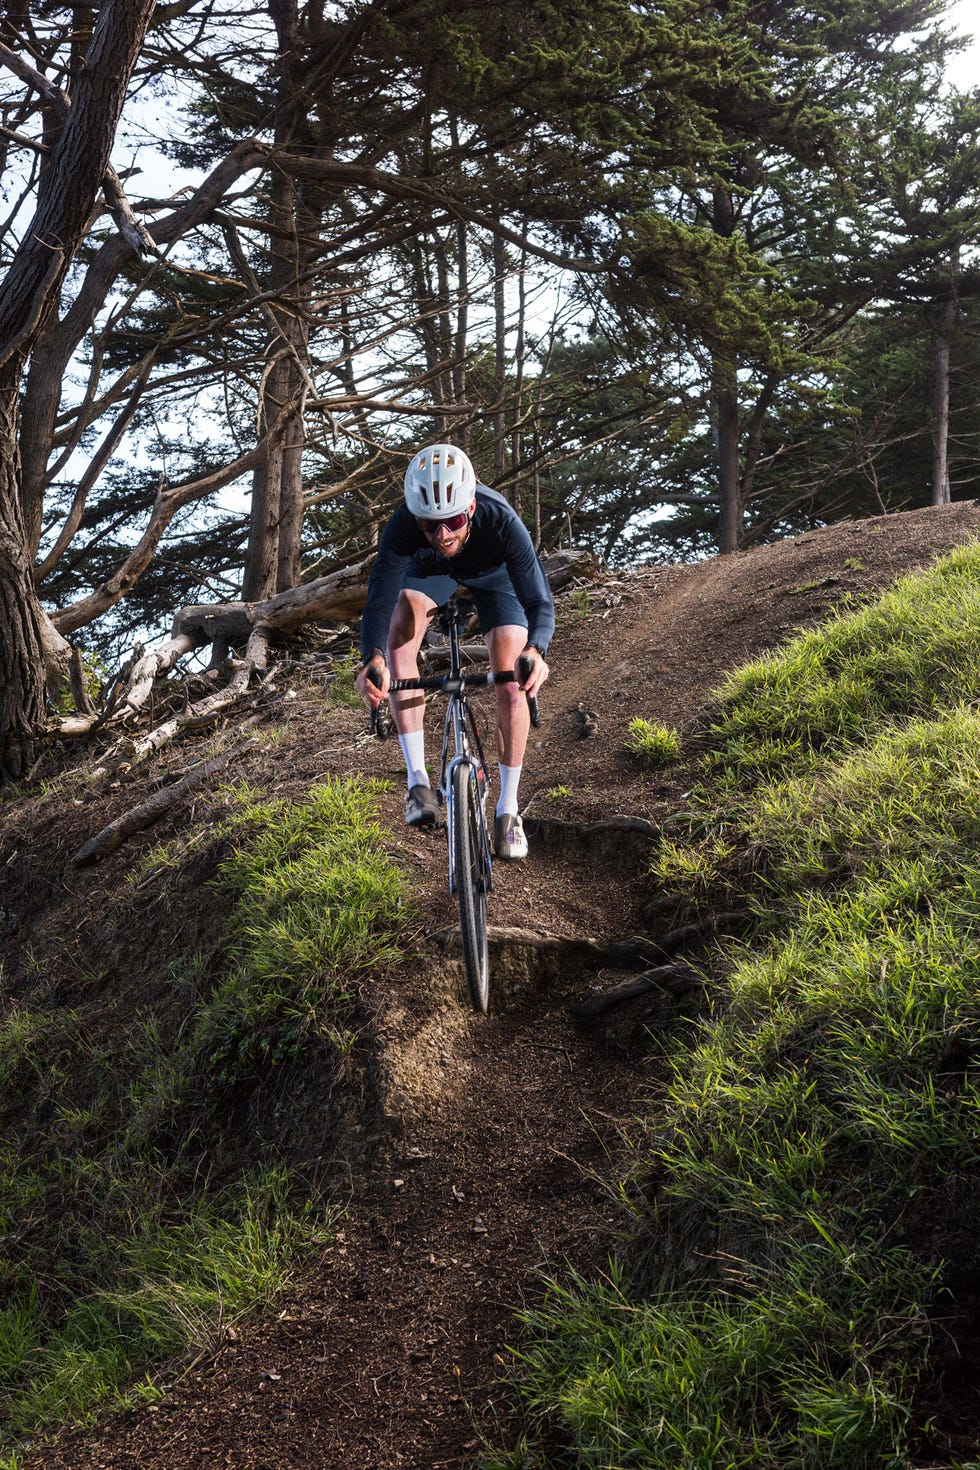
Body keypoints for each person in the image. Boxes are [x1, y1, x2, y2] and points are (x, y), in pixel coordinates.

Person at [355, 443, 554, 860]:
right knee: (397, 631)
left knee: (510, 675)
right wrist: (372, 658)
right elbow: (378, 599)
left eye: (454, 521)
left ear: (472, 506)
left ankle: (508, 810)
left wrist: (536, 649)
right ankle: (418, 783)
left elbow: (538, 601)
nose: (443, 534)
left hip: (494, 576)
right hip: (430, 573)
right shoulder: (404, 527)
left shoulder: (501, 521)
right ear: (416, 518)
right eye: (430, 525)